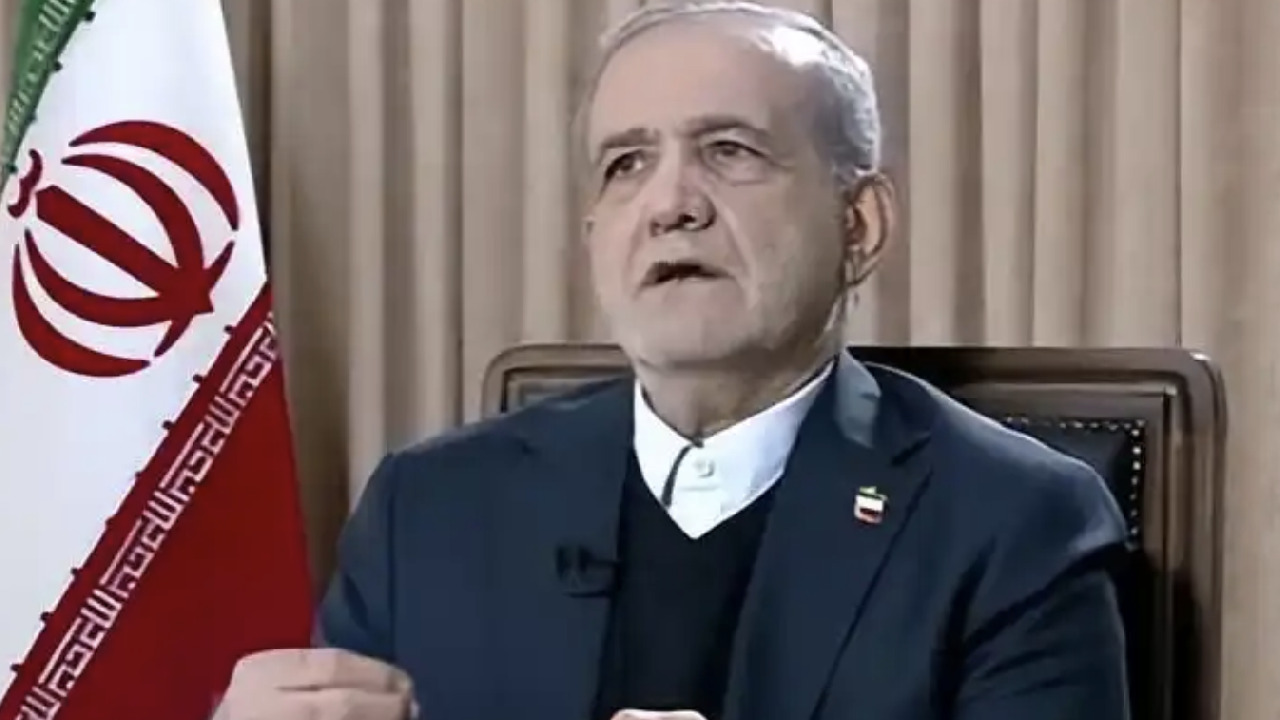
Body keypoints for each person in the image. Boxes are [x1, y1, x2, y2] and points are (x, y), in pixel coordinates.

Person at [217, 2, 1129, 719]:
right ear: (593, 236)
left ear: (859, 224)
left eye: (729, 151)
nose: (670, 204)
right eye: (626, 164)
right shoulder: (429, 510)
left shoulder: (1011, 523)